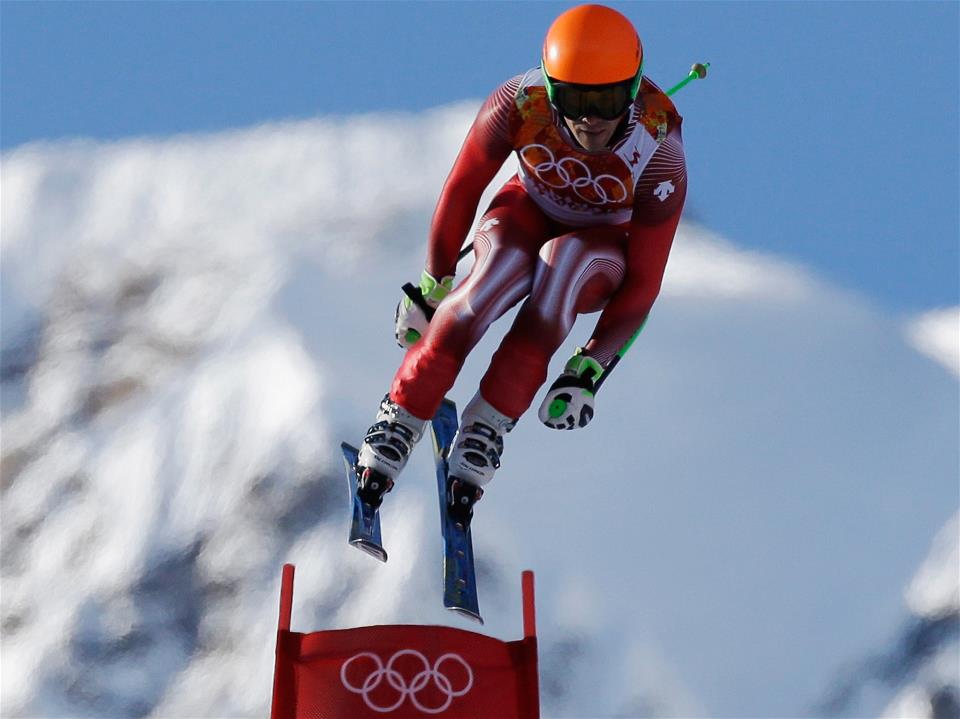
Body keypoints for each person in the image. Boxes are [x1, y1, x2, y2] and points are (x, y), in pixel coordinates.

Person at [355, 3, 687, 527]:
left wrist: (588, 368)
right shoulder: (519, 101)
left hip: (597, 248)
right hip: (525, 212)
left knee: (565, 263)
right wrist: (433, 285)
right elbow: (463, 186)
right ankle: (402, 414)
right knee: (494, 274)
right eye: (575, 99)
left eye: (606, 100)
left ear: (632, 90)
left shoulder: (660, 145)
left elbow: (644, 283)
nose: (590, 118)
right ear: (551, 90)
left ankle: (487, 426)